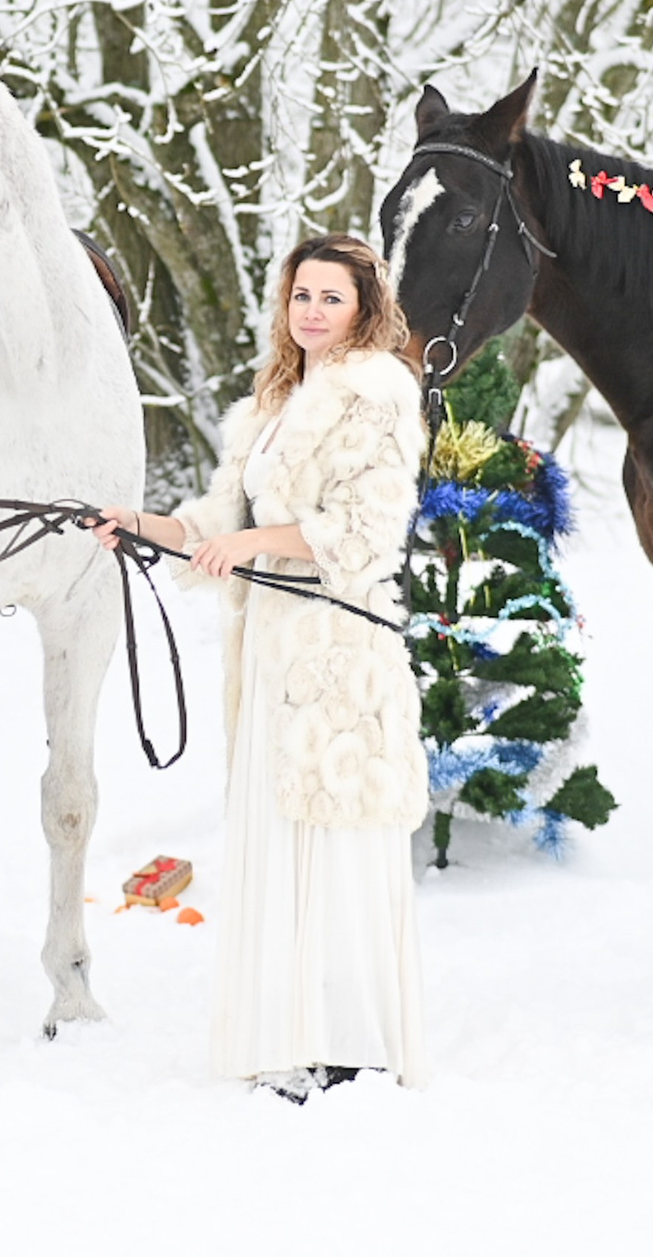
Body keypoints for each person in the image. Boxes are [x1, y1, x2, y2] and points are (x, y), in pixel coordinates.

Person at [91, 233, 429, 1099]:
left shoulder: (378, 396)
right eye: (301, 295)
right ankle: (290, 1034)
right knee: (280, 838)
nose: (312, 311)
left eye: (331, 298)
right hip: (274, 651)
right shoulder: (276, 401)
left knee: (335, 839)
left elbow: (364, 531)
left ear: (365, 309)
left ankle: (349, 1041)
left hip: (339, 655)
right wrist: (143, 523)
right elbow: (217, 517)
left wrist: (252, 542)